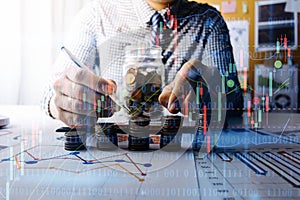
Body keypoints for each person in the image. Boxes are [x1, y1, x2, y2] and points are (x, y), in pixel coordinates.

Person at [42, 0, 243, 127]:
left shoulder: (209, 21)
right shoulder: (97, 14)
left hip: (184, 150)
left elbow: (235, 103)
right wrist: (60, 102)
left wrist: (217, 94)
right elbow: (50, 89)